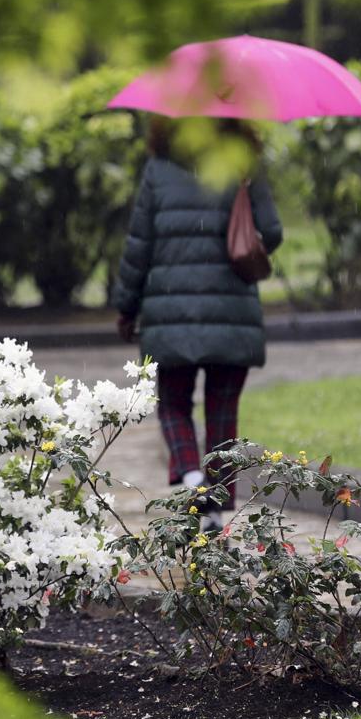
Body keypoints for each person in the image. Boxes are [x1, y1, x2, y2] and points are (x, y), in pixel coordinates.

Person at [113, 118, 283, 531]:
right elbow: (272, 232)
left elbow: (140, 245)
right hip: (232, 312)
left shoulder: (159, 167)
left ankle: (193, 482)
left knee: (173, 403)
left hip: (169, 313)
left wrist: (125, 305)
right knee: (223, 413)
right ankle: (218, 503)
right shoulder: (241, 160)